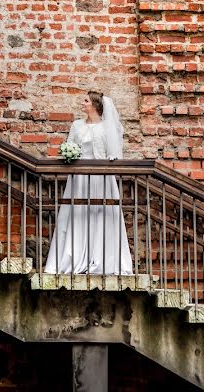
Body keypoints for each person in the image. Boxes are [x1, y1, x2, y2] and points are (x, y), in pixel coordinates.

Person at [43, 91, 134, 275]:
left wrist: (110, 158)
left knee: (101, 214)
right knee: (77, 214)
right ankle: (74, 258)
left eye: (86, 101)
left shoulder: (107, 127)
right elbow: (71, 145)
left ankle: (102, 259)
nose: (82, 103)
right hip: (79, 178)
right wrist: (69, 153)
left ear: (95, 105)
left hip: (102, 177)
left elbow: (113, 152)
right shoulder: (76, 125)